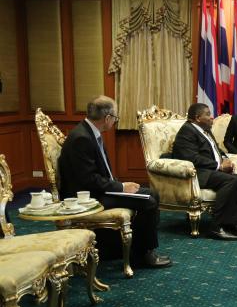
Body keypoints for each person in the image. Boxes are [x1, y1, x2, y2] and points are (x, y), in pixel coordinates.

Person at [58, 96, 171, 268]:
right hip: (86, 198)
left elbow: (97, 174)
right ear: (107, 118)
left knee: (152, 194)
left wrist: (120, 186)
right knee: (148, 200)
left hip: (96, 190)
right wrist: (121, 187)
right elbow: (88, 179)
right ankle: (142, 255)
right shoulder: (82, 138)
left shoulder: (89, 132)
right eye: (115, 118)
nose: (114, 122)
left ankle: (133, 249)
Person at [172, 103, 237, 241]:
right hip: (198, 173)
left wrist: (226, 159)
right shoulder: (187, 131)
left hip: (211, 171)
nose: (211, 117)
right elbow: (191, 158)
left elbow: (216, 150)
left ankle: (235, 223)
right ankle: (216, 227)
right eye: (207, 114)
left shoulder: (205, 129)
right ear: (197, 118)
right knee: (231, 181)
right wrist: (219, 165)